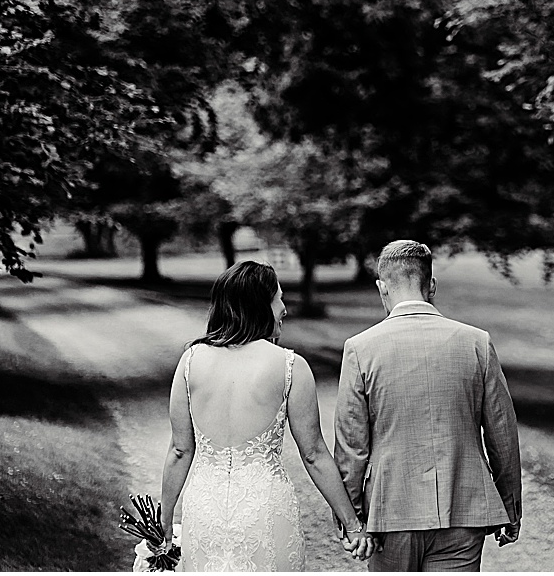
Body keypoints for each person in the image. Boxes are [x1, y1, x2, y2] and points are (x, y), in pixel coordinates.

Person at [158, 261, 377, 571]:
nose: (284, 308)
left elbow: (180, 451)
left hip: (205, 507)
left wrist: (164, 520)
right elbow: (314, 453)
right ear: (261, 304)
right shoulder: (290, 366)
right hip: (266, 506)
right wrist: (352, 524)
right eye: (279, 298)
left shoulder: (191, 361)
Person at [335, 240, 522, 572]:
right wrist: (510, 504)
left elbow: (352, 446)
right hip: (464, 510)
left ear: (382, 288)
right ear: (431, 285)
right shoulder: (476, 342)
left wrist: (352, 517)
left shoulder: (360, 348)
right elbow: (502, 433)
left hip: (390, 512)